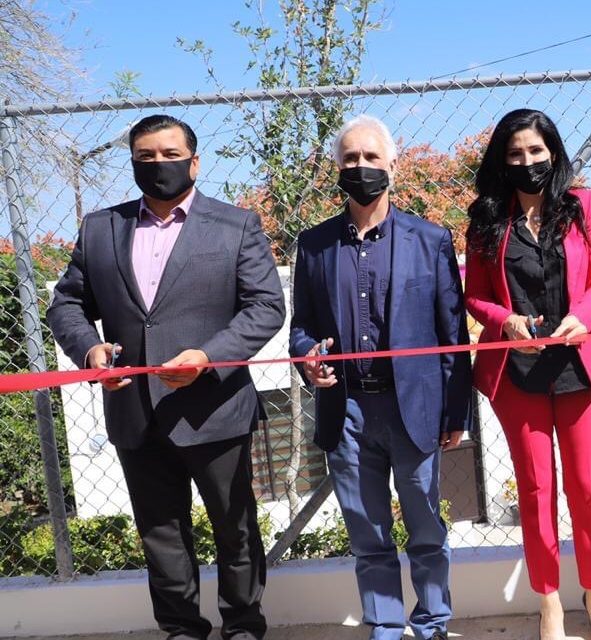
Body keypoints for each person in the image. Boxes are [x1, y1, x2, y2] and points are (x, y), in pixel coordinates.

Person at [48, 114, 285, 640]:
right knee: (160, 533)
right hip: (135, 409)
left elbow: (266, 306)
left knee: (235, 528)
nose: (159, 166)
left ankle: (244, 625)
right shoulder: (100, 228)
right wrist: (90, 351)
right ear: (133, 162)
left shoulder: (235, 224)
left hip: (214, 408)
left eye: (170, 155)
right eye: (146, 157)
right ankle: (181, 629)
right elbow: (67, 303)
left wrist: (210, 354)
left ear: (194, 162)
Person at [289, 114, 472, 640]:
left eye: (371, 157)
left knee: (425, 530)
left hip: (413, 409)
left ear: (393, 163)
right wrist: (308, 357)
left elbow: (452, 335)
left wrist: (455, 412)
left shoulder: (430, 239)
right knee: (367, 533)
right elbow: (301, 326)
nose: (361, 166)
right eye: (351, 158)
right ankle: (385, 624)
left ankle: (433, 621)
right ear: (336, 168)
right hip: (346, 411)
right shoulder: (316, 244)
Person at [463, 108, 591, 640]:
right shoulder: (486, 218)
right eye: (515, 154)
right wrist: (504, 320)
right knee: (535, 488)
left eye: (536, 151)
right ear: (502, 162)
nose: (527, 161)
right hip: (518, 370)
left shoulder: (584, 206)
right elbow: (477, 295)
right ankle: (549, 601)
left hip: (581, 363)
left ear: (553, 152)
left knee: (585, 484)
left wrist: (584, 317)